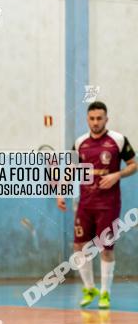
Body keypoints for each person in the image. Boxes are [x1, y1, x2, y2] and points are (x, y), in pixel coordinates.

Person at [58, 101, 136, 309]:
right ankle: (89, 287)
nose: (95, 122)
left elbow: (134, 165)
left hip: (108, 205)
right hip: (85, 204)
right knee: (78, 246)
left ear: (106, 119)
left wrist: (117, 174)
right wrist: (60, 192)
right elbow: (71, 169)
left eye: (99, 118)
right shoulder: (80, 142)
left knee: (106, 248)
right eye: (92, 119)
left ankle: (105, 294)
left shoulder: (118, 141)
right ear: (87, 120)